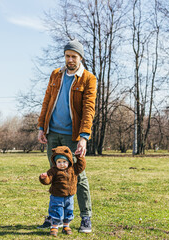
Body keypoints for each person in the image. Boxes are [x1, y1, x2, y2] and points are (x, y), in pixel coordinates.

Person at [37, 39, 96, 233]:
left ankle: (85, 217)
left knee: (78, 176)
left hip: (72, 136)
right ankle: (54, 217)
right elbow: (47, 101)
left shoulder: (88, 79)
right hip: (52, 134)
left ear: (80, 58)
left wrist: (84, 136)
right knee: (55, 175)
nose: (70, 59)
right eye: (67, 56)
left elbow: (89, 109)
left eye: (74, 56)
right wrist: (41, 127)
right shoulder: (56, 75)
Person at [39, 146, 86, 237]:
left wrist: (79, 157)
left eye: (64, 162)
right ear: (55, 162)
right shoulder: (53, 171)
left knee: (69, 211)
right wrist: (44, 178)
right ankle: (54, 226)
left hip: (69, 196)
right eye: (59, 162)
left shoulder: (73, 169)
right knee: (56, 211)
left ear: (69, 161)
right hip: (57, 196)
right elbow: (48, 181)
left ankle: (66, 226)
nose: (62, 164)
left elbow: (81, 166)